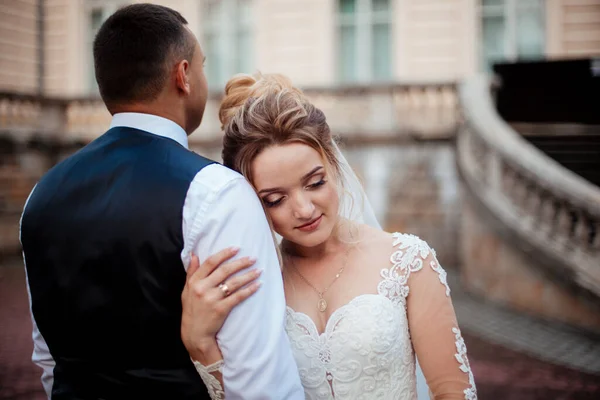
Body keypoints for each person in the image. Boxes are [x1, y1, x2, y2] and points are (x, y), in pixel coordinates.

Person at [19, 4, 303, 399]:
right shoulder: (216, 192)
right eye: (202, 66)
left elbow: (49, 361)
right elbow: (260, 380)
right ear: (183, 75)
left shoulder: (41, 195)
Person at [181, 73, 478, 399]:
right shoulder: (256, 280)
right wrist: (201, 343)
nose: (304, 209)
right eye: (276, 200)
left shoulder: (409, 262)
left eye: (315, 182)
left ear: (334, 162)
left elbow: (453, 392)